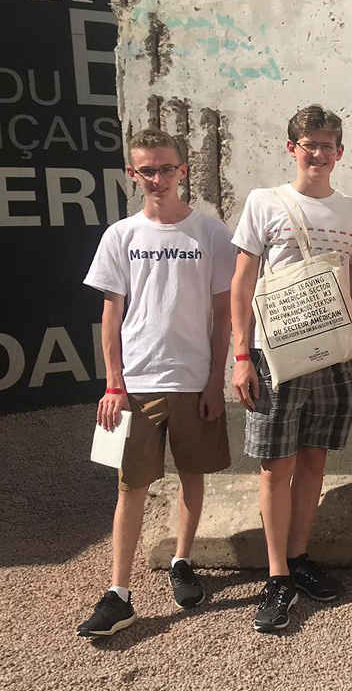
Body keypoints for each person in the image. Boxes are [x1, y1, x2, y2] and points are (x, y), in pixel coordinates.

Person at [77, 128, 235, 637]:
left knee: (193, 475)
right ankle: (119, 592)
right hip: (138, 382)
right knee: (132, 487)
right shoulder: (120, 236)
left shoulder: (210, 233)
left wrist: (217, 380)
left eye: (167, 168)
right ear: (133, 174)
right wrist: (113, 383)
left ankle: (182, 562)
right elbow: (111, 314)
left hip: (194, 381)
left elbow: (221, 314)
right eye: (148, 170)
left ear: (183, 170)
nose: (158, 178)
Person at [230, 104, 352, 633]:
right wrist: (241, 356)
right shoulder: (265, 202)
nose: (318, 153)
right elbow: (243, 282)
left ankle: (298, 557)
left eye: (327, 144)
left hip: (334, 354)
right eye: (308, 143)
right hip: (275, 355)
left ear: (340, 151)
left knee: (315, 459)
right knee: (276, 465)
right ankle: (276, 577)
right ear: (292, 148)